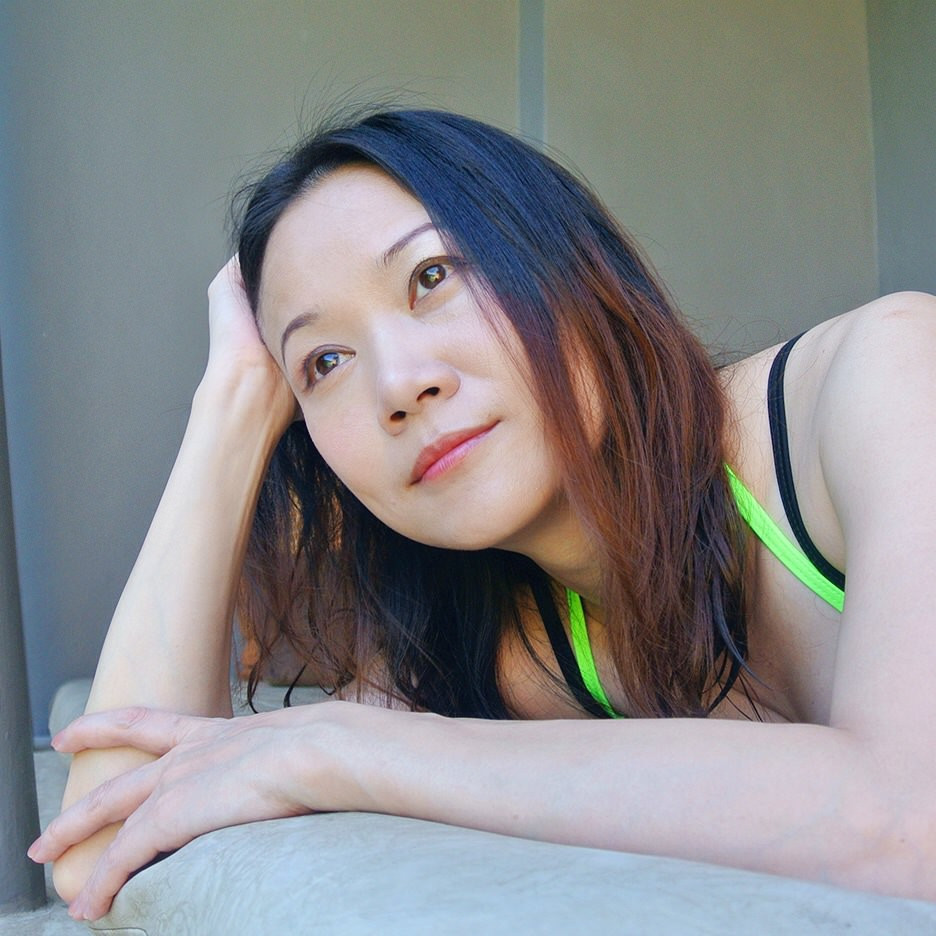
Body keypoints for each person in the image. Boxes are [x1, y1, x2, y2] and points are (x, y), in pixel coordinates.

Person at [28, 108, 936, 920]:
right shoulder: (509, 647)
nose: (399, 385)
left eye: (431, 275)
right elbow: (104, 849)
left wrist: (356, 750)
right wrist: (230, 406)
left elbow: (909, 825)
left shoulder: (886, 374)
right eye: (324, 364)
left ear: (564, 259)